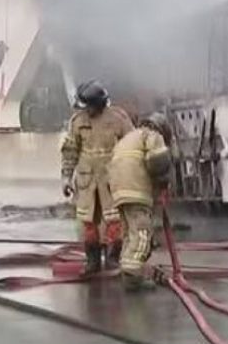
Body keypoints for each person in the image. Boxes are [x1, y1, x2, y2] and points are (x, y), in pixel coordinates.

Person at [61, 80, 134, 275]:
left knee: (115, 221)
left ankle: (113, 259)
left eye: (90, 108)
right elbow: (70, 151)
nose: (87, 112)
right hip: (87, 181)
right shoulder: (77, 121)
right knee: (88, 222)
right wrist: (66, 178)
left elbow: (133, 145)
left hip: (112, 179)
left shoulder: (118, 118)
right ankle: (92, 261)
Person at [107, 112, 173, 292]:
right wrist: (163, 180)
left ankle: (128, 269)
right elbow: (158, 162)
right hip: (136, 190)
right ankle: (133, 277)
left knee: (130, 234)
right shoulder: (152, 136)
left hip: (118, 192)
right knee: (142, 233)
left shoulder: (129, 138)